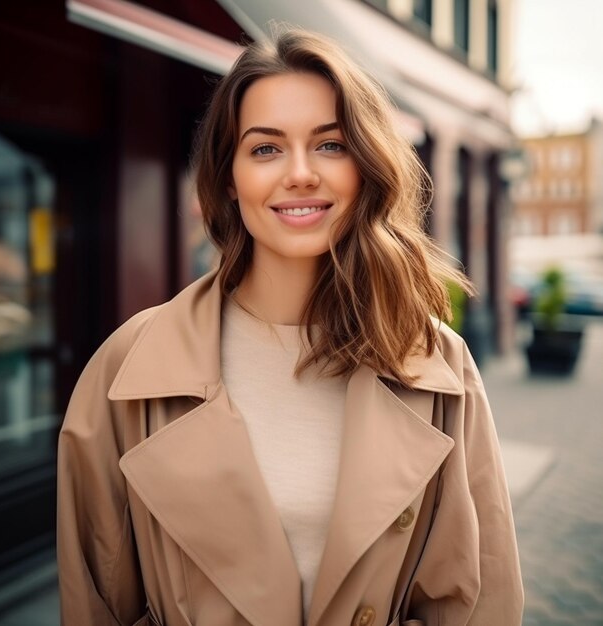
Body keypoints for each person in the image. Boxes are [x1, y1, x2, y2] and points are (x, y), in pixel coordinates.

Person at [57, 28, 523, 626]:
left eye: (330, 145)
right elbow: (94, 602)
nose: (300, 173)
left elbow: (485, 600)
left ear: (366, 166)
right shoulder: (129, 366)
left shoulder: (436, 362)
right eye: (266, 149)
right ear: (229, 177)